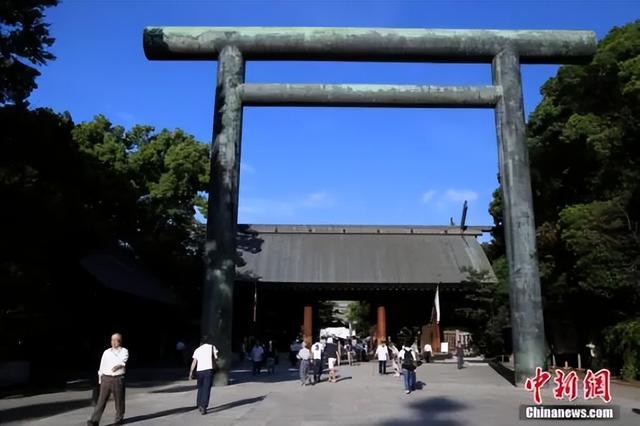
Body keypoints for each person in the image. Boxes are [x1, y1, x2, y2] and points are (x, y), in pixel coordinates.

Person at [87, 333, 129, 426]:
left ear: (120, 341)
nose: (113, 342)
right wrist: (100, 379)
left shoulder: (124, 351)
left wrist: (119, 366)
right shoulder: (106, 352)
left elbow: (123, 361)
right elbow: (102, 365)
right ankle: (94, 420)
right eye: (112, 340)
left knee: (119, 401)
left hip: (118, 379)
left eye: (116, 340)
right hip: (106, 378)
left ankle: (119, 419)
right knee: (101, 401)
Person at [189, 335, 219, 415]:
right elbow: (216, 359)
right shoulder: (212, 347)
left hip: (199, 371)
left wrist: (191, 372)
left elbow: (194, 362)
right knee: (206, 389)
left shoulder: (197, 349)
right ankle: (203, 406)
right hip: (208, 371)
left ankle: (199, 404)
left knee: (200, 387)